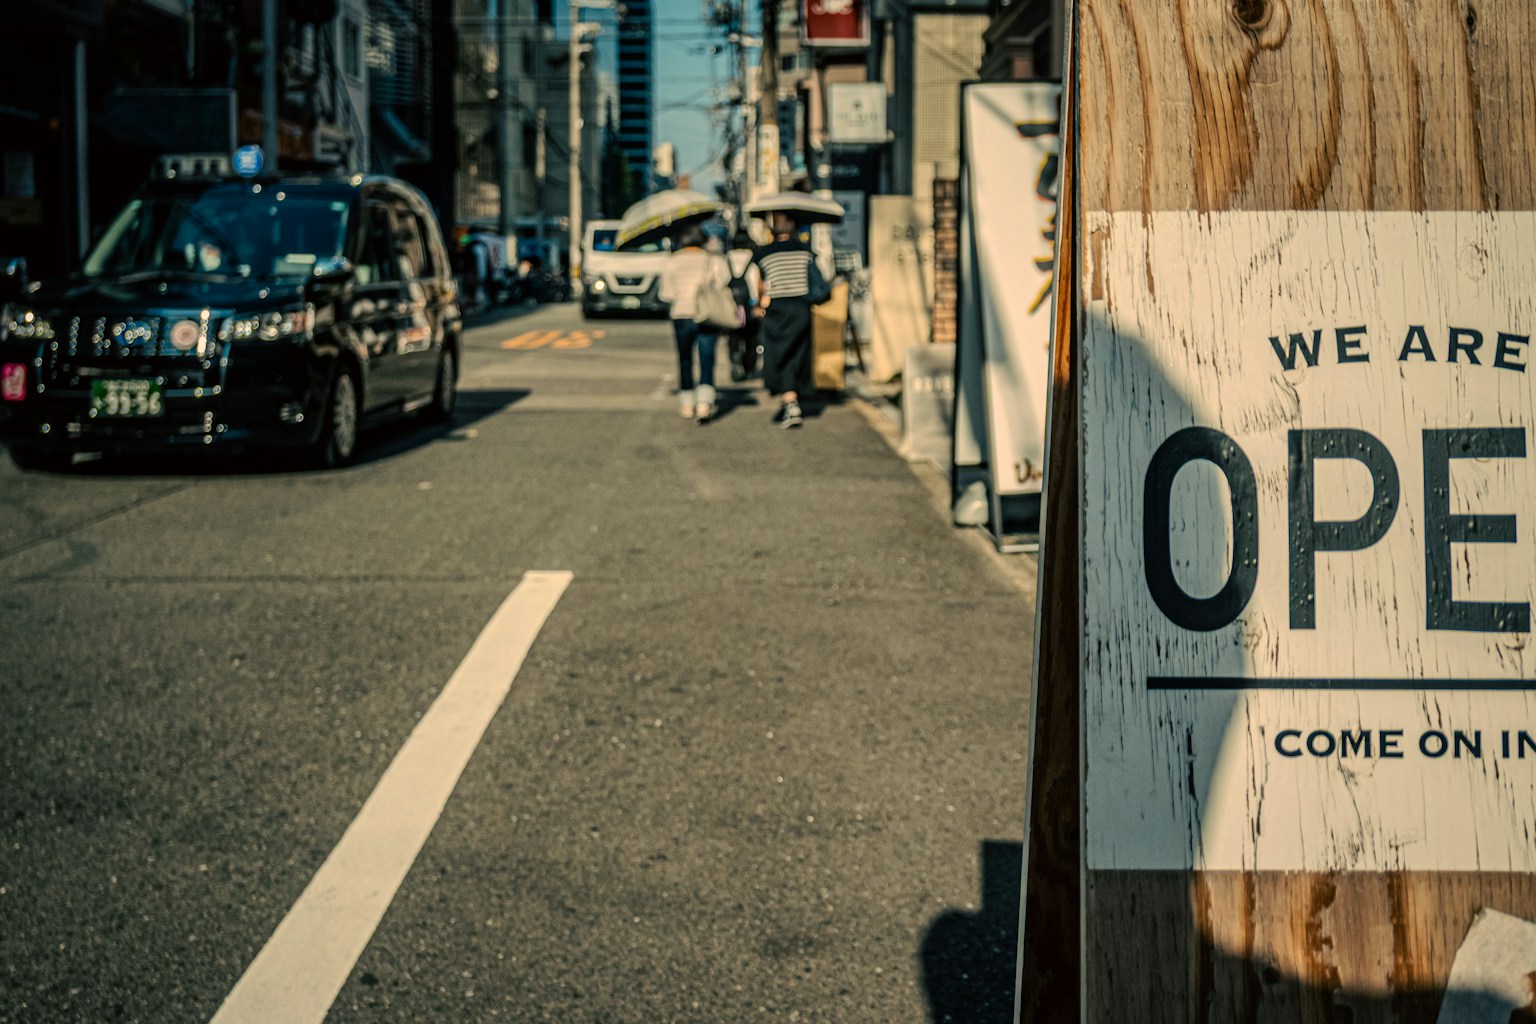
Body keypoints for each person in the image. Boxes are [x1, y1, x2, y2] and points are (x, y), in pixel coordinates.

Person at [657, 223, 732, 423]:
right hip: (707, 315)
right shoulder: (712, 259)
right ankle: (704, 404)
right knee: (707, 359)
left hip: (681, 314)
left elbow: (666, 293)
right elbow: (723, 282)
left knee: (685, 359)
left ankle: (687, 402)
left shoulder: (672, 261)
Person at [752, 212, 818, 428]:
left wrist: (759, 303)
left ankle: (789, 401)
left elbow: (760, 286)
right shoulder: (804, 251)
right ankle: (791, 400)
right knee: (797, 354)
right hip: (801, 308)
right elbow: (815, 280)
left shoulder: (764, 253)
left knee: (778, 354)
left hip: (777, 309)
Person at [724, 232, 761, 382]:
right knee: (751, 338)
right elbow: (754, 284)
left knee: (733, 336)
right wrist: (756, 303)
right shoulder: (752, 259)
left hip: (731, 305)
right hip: (748, 306)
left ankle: (734, 357)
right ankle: (749, 367)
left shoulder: (726, 258)